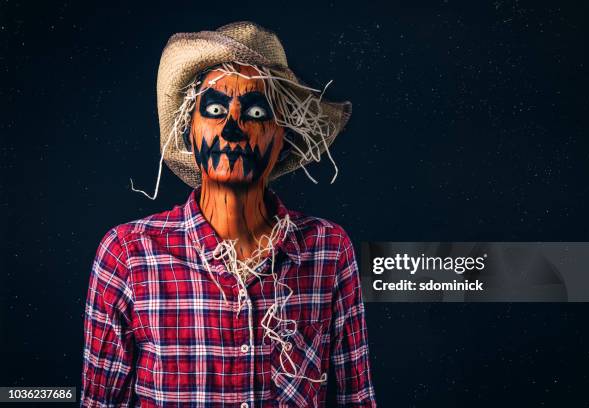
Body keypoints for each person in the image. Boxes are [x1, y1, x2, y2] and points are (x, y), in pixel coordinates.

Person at [80, 21, 377, 407]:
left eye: (255, 111)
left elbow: (357, 398)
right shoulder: (128, 254)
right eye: (216, 109)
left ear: (282, 136)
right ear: (189, 130)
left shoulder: (328, 250)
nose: (232, 130)